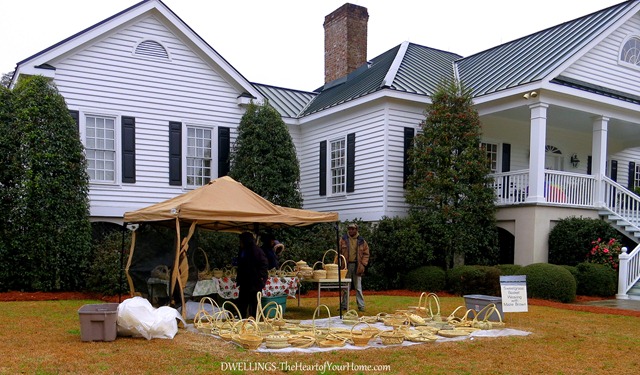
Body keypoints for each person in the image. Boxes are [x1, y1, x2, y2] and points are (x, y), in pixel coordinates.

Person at [235, 232, 269, 319]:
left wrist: (260, 277)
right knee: (243, 303)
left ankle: (254, 320)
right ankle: (241, 319)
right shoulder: (243, 250)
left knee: (254, 304)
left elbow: (264, 264)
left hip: (254, 282)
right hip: (245, 281)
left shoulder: (256, 251)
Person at [338, 223, 370, 312]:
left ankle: (361, 306)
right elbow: (338, 253)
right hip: (346, 266)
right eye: (349, 229)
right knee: (345, 287)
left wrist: (363, 264)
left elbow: (366, 253)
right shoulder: (343, 240)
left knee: (358, 287)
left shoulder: (362, 241)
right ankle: (344, 305)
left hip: (357, 266)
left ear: (356, 230)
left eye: (353, 229)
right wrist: (338, 265)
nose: (351, 230)